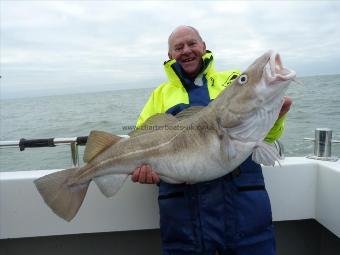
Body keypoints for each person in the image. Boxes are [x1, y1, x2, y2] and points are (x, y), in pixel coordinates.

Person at [131, 25, 292, 255]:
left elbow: (269, 136)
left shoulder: (233, 80)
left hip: (245, 216)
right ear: (170, 55)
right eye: (178, 47)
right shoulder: (160, 96)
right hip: (185, 222)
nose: (186, 50)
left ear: (203, 46)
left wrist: (276, 118)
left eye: (192, 43)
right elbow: (139, 140)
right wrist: (146, 169)